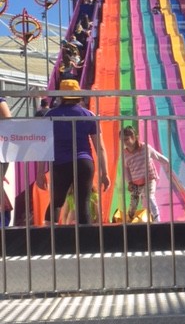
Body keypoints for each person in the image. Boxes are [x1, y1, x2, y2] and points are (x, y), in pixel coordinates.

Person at [36, 79, 110, 224]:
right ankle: (85, 243)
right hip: (84, 162)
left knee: (57, 201)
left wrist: (40, 173)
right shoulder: (88, 114)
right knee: (83, 203)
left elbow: (43, 145)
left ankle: (49, 239)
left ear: (61, 96)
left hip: (60, 164)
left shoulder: (50, 115)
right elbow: (100, 147)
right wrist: (105, 172)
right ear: (78, 96)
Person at [122, 126, 169, 223]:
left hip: (149, 179)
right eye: (123, 140)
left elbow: (157, 156)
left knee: (149, 196)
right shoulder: (125, 154)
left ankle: (157, 220)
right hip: (136, 182)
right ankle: (130, 218)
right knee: (134, 202)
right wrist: (130, 182)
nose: (125, 142)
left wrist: (167, 162)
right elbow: (126, 169)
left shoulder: (145, 148)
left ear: (134, 137)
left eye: (127, 139)